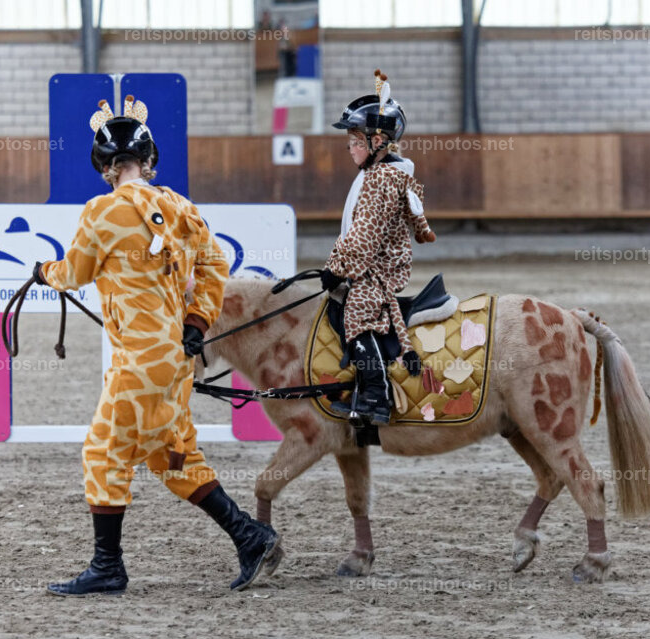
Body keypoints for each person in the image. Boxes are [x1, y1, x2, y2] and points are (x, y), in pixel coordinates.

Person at [36, 95, 279, 596]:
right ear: (146, 162)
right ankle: (250, 536)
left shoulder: (100, 212)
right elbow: (215, 267)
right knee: (172, 457)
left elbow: (75, 274)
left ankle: (108, 567)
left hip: (139, 362)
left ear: (106, 166)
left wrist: (44, 273)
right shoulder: (180, 207)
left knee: (102, 452)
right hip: (175, 357)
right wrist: (197, 319)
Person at [321, 71, 437, 426]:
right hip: (369, 264)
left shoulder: (382, 180)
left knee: (357, 313)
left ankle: (376, 395)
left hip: (376, 270)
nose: (350, 149)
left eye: (356, 141)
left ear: (379, 142)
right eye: (349, 142)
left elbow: (364, 238)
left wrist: (336, 269)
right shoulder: (379, 174)